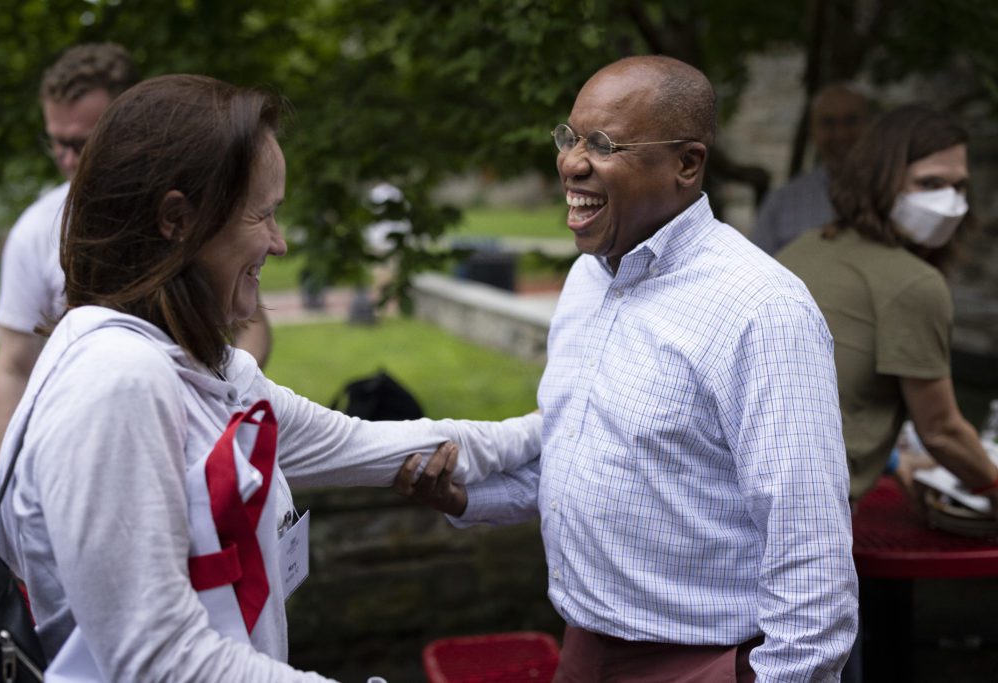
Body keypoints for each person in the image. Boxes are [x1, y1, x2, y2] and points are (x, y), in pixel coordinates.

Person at [0, 74, 542, 682]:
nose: (279, 244)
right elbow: (158, 660)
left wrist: (558, 426)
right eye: (264, 213)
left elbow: (376, 444)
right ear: (177, 219)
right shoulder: (117, 385)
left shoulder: (207, 370)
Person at [397, 55, 858, 681]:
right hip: (585, 645)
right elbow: (587, 452)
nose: (571, 162)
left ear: (687, 165)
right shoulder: (590, 277)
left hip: (706, 662)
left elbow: (812, 554)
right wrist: (468, 498)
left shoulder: (762, 311)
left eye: (605, 144)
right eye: (571, 136)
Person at [0, 43, 273, 461]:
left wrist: (216, 405)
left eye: (82, 144)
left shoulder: (189, 215)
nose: (68, 161)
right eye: (56, 143)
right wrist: (7, 487)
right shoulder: (34, 232)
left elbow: (251, 324)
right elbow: (13, 366)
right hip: (95, 450)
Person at [777, 104, 998, 508]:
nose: (949, 203)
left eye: (959, 187)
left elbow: (830, 398)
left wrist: (895, 459)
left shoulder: (809, 245)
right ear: (881, 180)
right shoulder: (915, 282)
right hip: (805, 512)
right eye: (929, 184)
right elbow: (942, 432)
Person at [749, 83, 871, 254]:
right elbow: (758, 269)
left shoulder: (896, 192)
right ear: (813, 131)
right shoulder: (782, 202)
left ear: (870, 125)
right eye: (828, 123)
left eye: (850, 121)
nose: (841, 134)